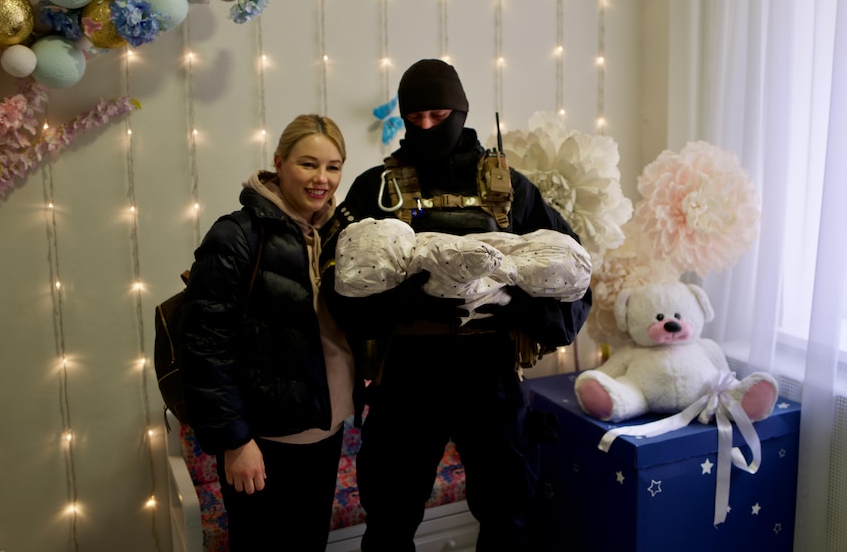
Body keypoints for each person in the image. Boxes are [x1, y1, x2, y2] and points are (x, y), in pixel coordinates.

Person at [319, 59, 592, 552]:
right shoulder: (376, 189)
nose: (426, 127)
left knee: (508, 509)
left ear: (461, 111)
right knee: (390, 515)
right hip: (406, 370)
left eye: (438, 114)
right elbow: (333, 277)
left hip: (489, 369)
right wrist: (397, 304)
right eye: (414, 117)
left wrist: (520, 310)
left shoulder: (513, 189)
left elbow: (571, 274)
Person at [179, 114, 355, 551]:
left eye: (333, 166)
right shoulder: (237, 235)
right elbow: (204, 345)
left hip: (326, 431)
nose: (322, 179)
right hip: (265, 441)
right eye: (308, 164)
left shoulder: (339, 233)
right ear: (279, 163)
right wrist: (236, 442)